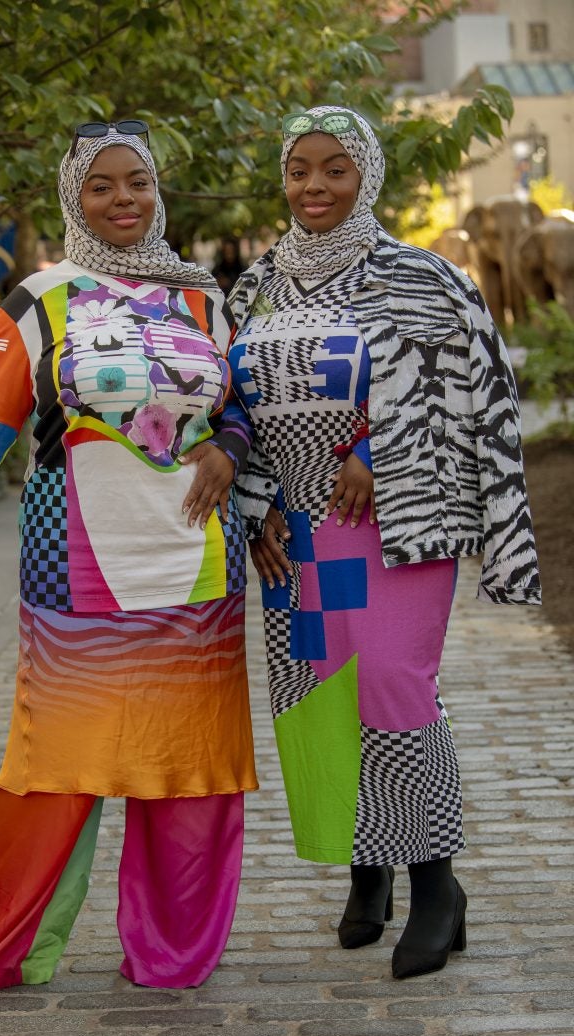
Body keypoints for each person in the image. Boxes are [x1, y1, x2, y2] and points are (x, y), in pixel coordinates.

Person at [0, 119, 258, 999]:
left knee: (190, 771)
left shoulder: (203, 300)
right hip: (75, 567)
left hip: (197, 565)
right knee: (54, 767)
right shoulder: (39, 299)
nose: (122, 200)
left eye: (137, 182)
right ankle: (11, 950)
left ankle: (173, 953)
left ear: (159, 191)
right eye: (101, 185)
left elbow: (239, 399)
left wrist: (228, 443)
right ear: (75, 196)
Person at [228, 105, 540, 980]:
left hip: (393, 524)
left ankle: (438, 881)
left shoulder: (420, 277)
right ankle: (366, 867)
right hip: (296, 532)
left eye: (336, 168)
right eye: (299, 169)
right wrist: (258, 509)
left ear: (368, 172)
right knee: (320, 694)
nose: (315, 186)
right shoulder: (255, 287)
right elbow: (234, 406)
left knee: (395, 684)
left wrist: (371, 449)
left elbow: (467, 385)